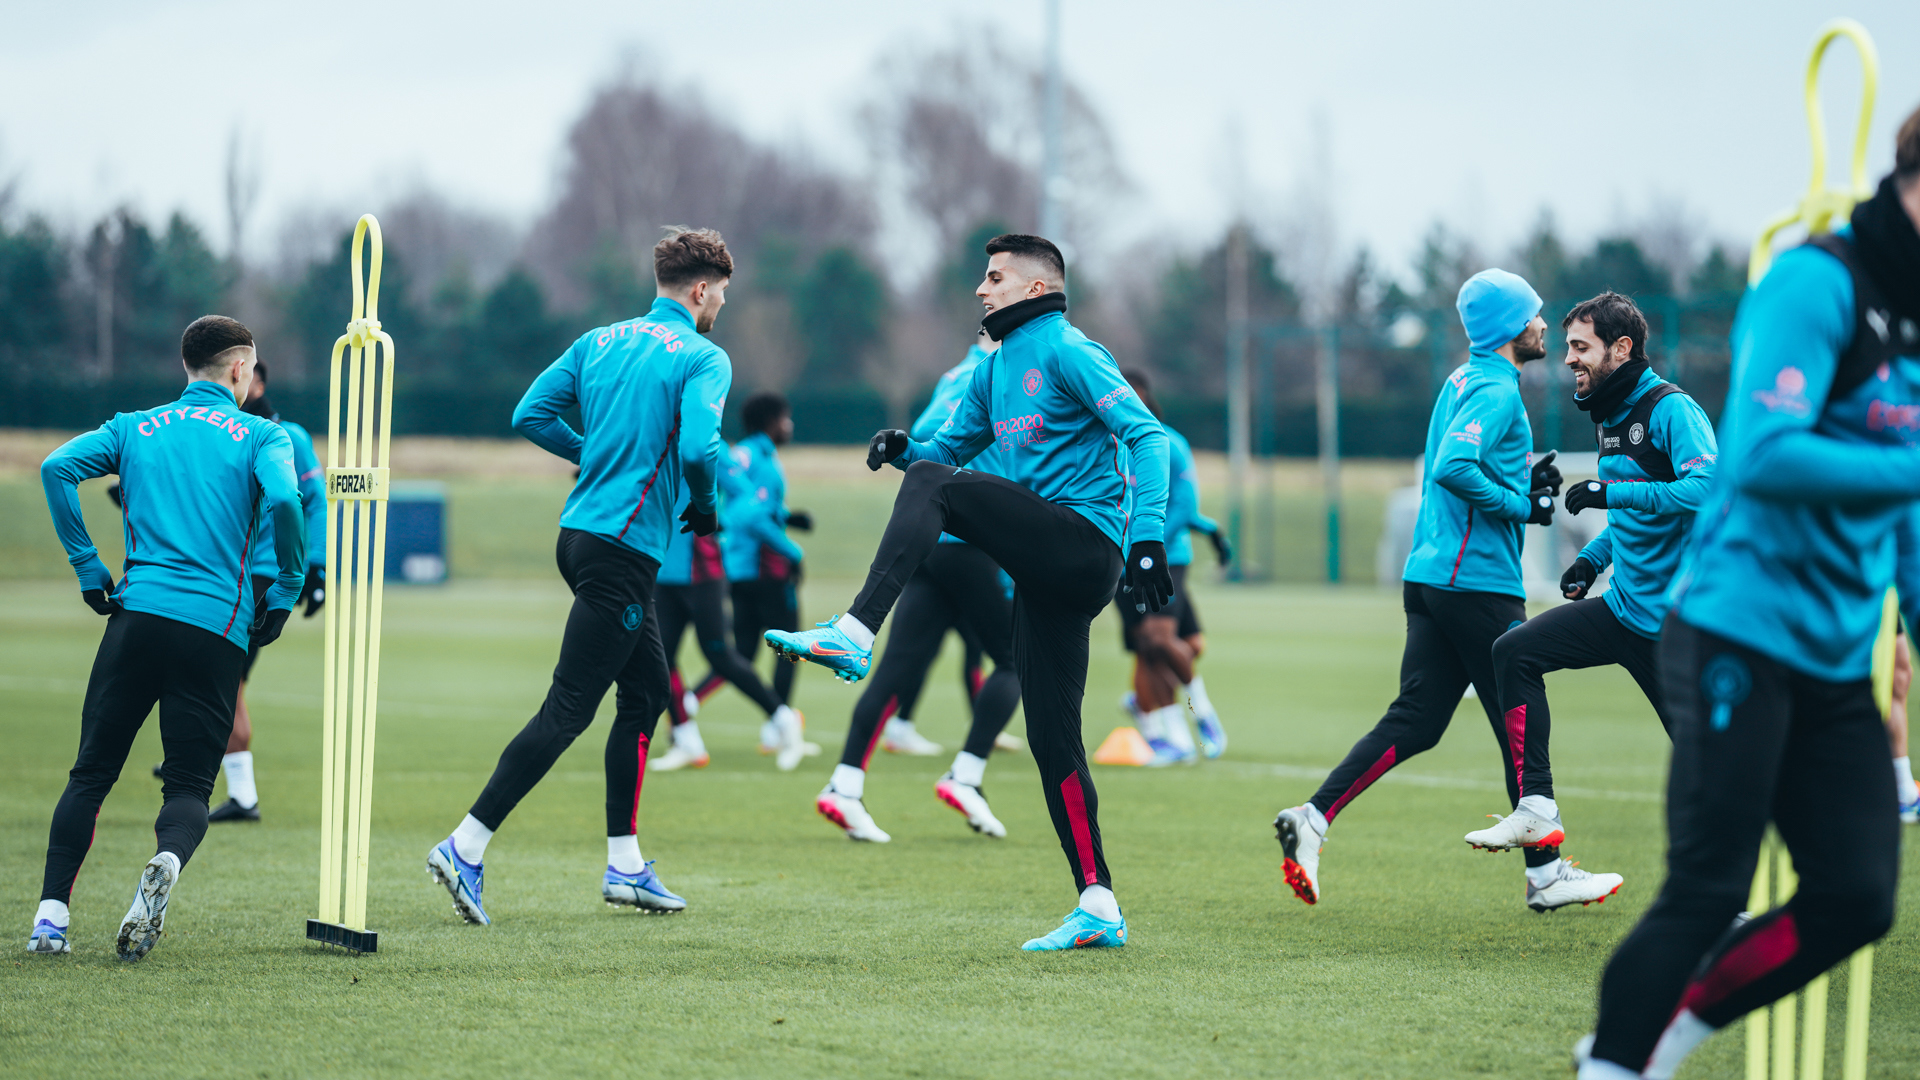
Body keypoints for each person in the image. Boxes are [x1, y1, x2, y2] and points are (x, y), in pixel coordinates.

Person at [1578, 110, 1920, 1080]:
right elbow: (1766, 455)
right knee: (1706, 885)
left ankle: (1670, 1031)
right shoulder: (1818, 281)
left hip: (1833, 656)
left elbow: (1903, 508)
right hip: (1734, 629)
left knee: (1858, 896)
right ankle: (1612, 1063)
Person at [766, 234, 1171, 950]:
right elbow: (946, 457)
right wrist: (905, 454)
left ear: (1037, 289)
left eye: (995, 279)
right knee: (1053, 741)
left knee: (935, 493)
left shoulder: (1071, 350)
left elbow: (1149, 438)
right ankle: (1099, 902)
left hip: (1086, 548)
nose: (981, 292)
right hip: (1043, 569)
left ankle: (856, 633)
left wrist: (1148, 539)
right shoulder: (994, 370)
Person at [1271, 269, 1618, 912]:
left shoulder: (1465, 378)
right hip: (1474, 581)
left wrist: (1524, 492)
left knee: (1421, 718)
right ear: (1515, 327)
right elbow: (1453, 467)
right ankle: (1545, 873)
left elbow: (1468, 464)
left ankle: (1312, 820)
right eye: (1536, 315)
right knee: (1517, 701)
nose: (1545, 325)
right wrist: (1520, 503)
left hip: (1431, 575)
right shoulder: (1495, 388)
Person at [425, 227, 735, 926]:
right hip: (624, 549)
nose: (720, 306)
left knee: (649, 689)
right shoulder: (703, 356)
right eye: (719, 295)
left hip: (581, 539)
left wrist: (590, 452)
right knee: (568, 709)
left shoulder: (597, 340)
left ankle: (625, 866)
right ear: (700, 289)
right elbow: (698, 447)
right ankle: (464, 845)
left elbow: (529, 414)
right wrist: (706, 506)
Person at [29, 316, 305, 960]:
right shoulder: (264, 433)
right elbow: (288, 502)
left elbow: (55, 468)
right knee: (187, 787)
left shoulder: (134, 427)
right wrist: (286, 590)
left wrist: (86, 566)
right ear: (241, 370)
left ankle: (50, 920)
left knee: (90, 774)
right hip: (214, 630)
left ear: (187, 367)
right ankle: (165, 863)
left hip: (137, 618)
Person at [1468, 293, 1717, 899]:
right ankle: (1537, 807)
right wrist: (1591, 559)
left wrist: (1613, 495)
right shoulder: (1607, 412)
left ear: (1621, 348)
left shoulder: (1670, 409)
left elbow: (1708, 488)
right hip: (1624, 611)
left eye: (1581, 347)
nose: (1568, 359)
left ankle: (1730, 902)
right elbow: (1635, 514)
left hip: (1679, 630)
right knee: (1514, 652)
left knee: (1711, 773)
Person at [814, 329, 1025, 843]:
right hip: (974, 547)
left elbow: (927, 436)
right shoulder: (1000, 376)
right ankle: (967, 775)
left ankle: (845, 784)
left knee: (898, 669)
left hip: (932, 547)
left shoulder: (955, 375)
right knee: (1015, 661)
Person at [148, 359, 328, 822]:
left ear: (257, 380)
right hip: (225, 572)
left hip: (262, 576)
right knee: (225, 680)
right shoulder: (230, 433)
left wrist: (316, 568)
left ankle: (199, 762)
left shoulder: (288, 437)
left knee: (221, 680)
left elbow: (313, 503)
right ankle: (233, 788)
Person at [656, 391, 813, 771]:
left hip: (702, 569)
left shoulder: (710, 444)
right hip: (668, 566)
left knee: (724, 654)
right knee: (661, 658)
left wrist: (714, 516)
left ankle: (779, 718)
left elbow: (742, 495)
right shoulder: (658, 438)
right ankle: (689, 736)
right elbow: (750, 505)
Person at [1113, 368, 1231, 766]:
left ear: (1143, 394)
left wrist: (1151, 543)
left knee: (1168, 642)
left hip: (1164, 557)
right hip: (1118, 561)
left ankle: (1202, 713)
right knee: (1148, 648)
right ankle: (1171, 737)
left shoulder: (1167, 442)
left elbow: (1183, 503)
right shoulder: (1106, 442)